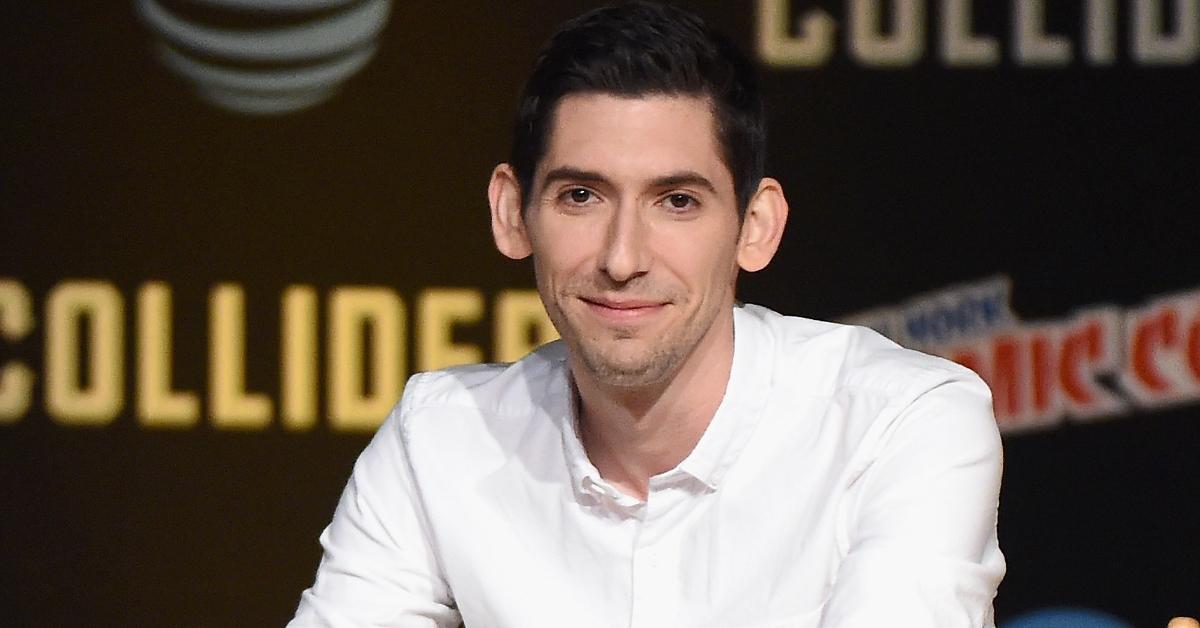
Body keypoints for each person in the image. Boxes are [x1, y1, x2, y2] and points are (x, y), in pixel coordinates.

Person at [288, 2, 1005, 626]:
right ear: (512, 213)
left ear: (755, 227)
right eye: (581, 196)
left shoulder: (901, 422)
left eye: (677, 202)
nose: (623, 256)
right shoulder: (440, 436)